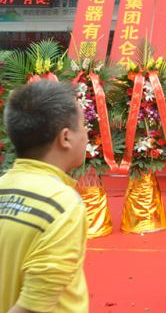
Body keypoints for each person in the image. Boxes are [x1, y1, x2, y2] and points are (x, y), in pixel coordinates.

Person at [0, 81, 89, 313]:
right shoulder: (61, 205)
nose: (87, 136)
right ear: (65, 138)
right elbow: (32, 307)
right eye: (83, 126)